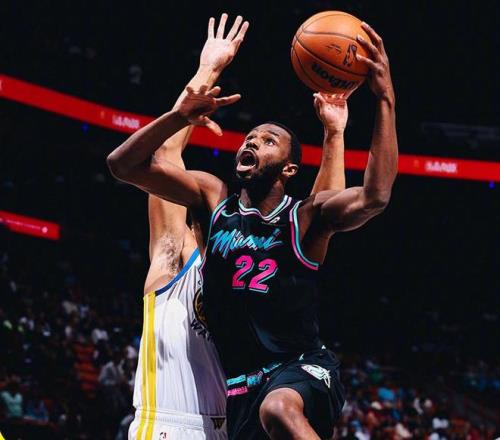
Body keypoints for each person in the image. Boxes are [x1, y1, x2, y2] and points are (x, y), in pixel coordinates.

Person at [107, 14, 397, 439]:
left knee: (280, 407)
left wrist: (341, 130)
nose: (251, 141)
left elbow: (325, 212)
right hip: (196, 418)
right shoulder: (180, 246)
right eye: (250, 138)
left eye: (266, 140)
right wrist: (197, 87)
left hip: (257, 397)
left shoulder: (289, 225)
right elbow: (149, 160)